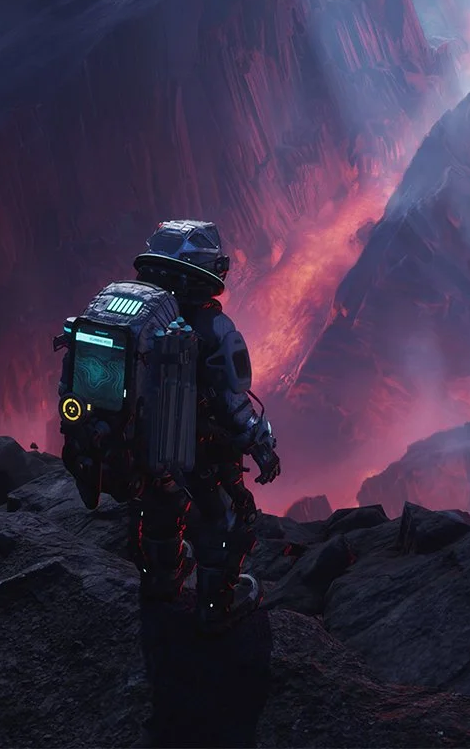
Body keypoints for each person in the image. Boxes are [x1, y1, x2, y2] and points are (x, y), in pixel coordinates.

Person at [127, 219, 281, 631]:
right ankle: (217, 607)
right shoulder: (214, 328)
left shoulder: (144, 321)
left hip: (147, 448)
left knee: (160, 509)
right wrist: (263, 446)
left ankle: (161, 583)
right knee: (228, 522)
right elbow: (234, 402)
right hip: (200, 453)